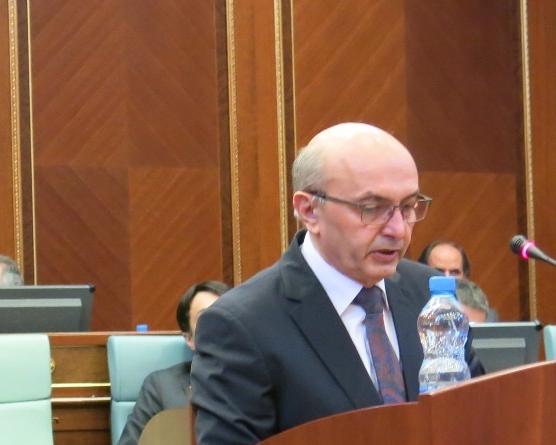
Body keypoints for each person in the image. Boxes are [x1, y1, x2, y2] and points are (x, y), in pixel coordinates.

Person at [190, 122, 485, 444]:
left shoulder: (428, 293)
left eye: (408, 207)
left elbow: (479, 418)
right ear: (309, 211)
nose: (399, 230)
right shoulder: (243, 324)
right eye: (372, 208)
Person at [117, 280, 230, 445]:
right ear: (189, 339)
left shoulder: (260, 381)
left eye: (226, 315)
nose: (219, 325)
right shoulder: (161, 387)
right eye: (206, 317)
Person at [418, 240, 499, 322]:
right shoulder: (413, 313)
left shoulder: (482, 316)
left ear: (465, 276)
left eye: (454, 272)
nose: (447, 278)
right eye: (438, 272)